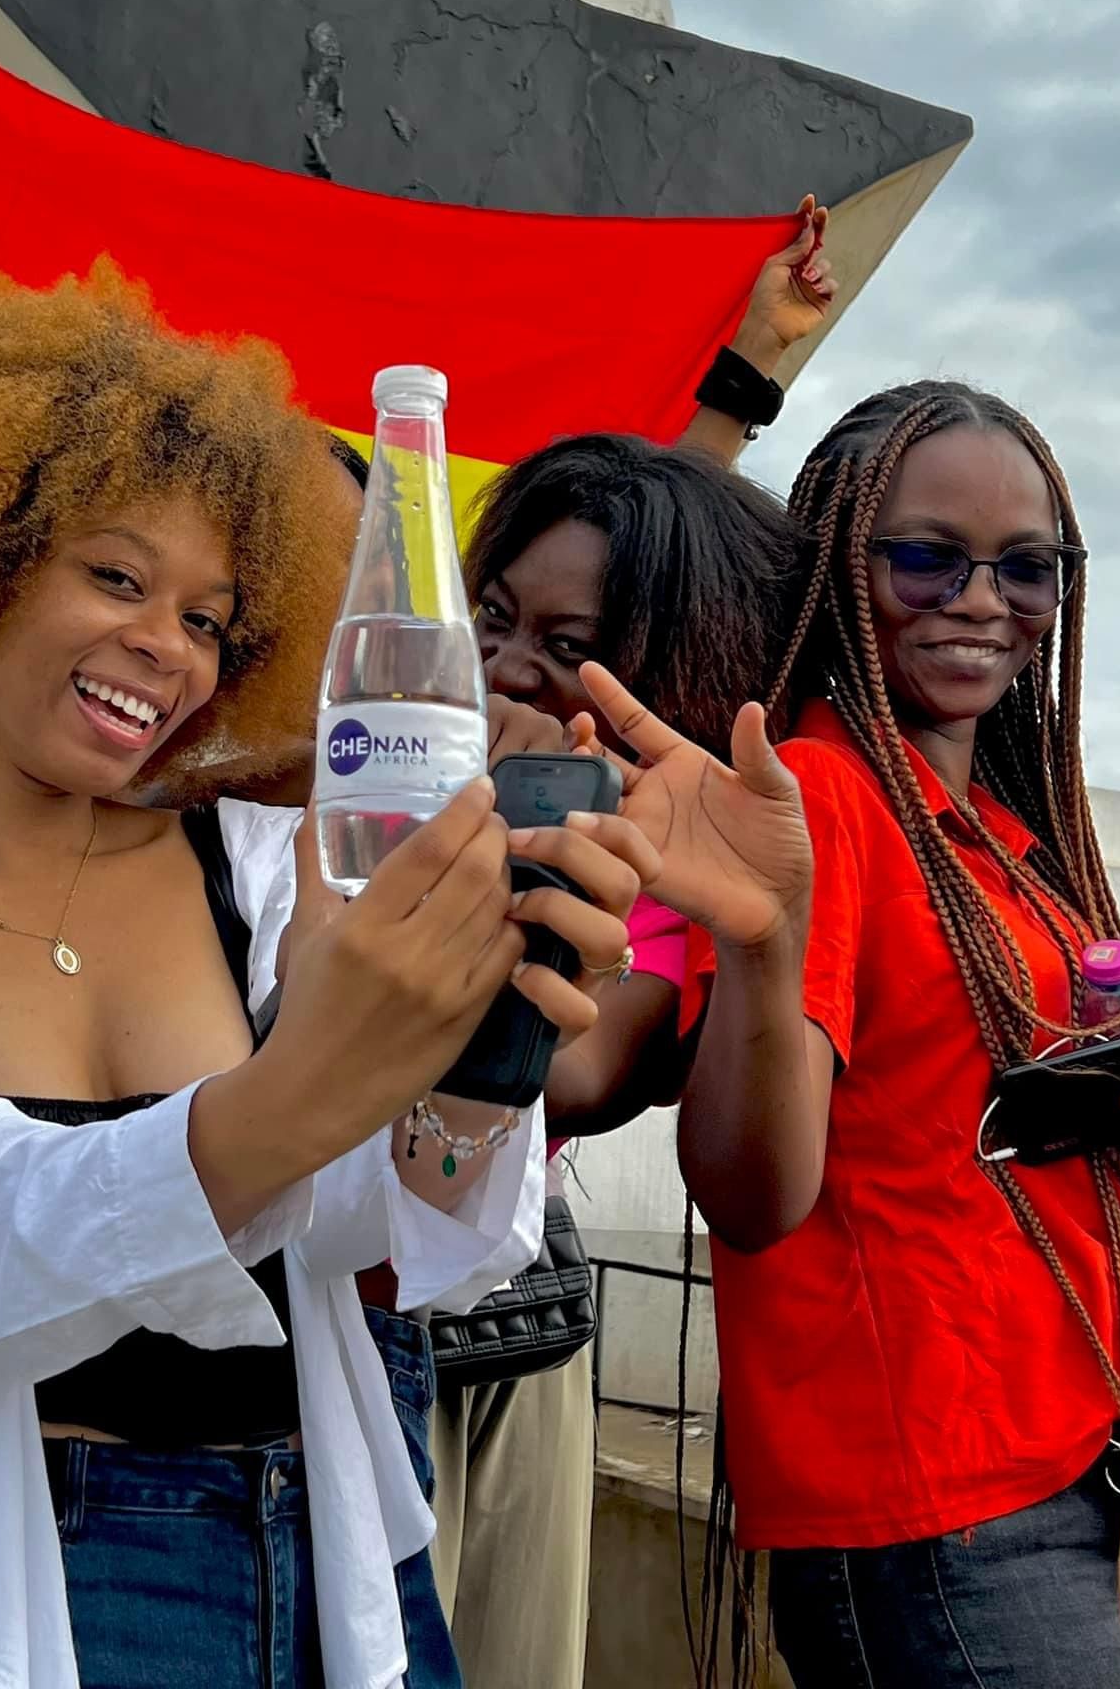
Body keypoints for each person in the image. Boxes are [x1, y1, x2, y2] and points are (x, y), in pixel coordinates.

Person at [0, 266, 657, 1689]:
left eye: (213, 619)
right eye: (118, 577)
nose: (165, 648)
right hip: (25, 1591)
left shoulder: (259, 871)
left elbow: (366, 1235)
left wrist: (471, 1071)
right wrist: (311, 1078)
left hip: (326, 1559)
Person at [674, 378, 1120, 1688]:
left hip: (1101, 1463)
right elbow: (752, 1194)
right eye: (926, 556)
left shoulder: (1011, 843)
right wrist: (756, 943)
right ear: (839, 563)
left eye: (1027, 567)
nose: (982, 599)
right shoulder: (816, 799)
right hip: (954, 1512)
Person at [430, 424, 814, 1677]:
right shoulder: (370, 788)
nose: (507, 664)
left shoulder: (670, 879)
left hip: (500, 1360)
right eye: (492, 617)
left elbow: (580, 1072)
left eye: (569, 649)